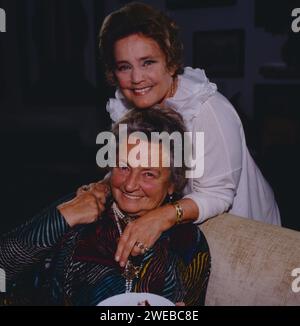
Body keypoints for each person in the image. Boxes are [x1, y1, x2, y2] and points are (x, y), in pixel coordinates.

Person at [78, 2, 280, 267]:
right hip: (184, 228)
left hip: (240, 230)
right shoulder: (125, 107)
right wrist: (103, 186)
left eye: (148, 62)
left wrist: (159, 217)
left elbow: (218, 195)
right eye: (124, 67)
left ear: (171, 62)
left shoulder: (209, 110)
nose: (136, 78)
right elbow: (135, 166)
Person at [0, 107, 211, 306]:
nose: (129, 184)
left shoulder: (188, 241)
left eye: (149, 173)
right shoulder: (83, 210)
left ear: (173, 183)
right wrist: (64, 216)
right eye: (123, 167)